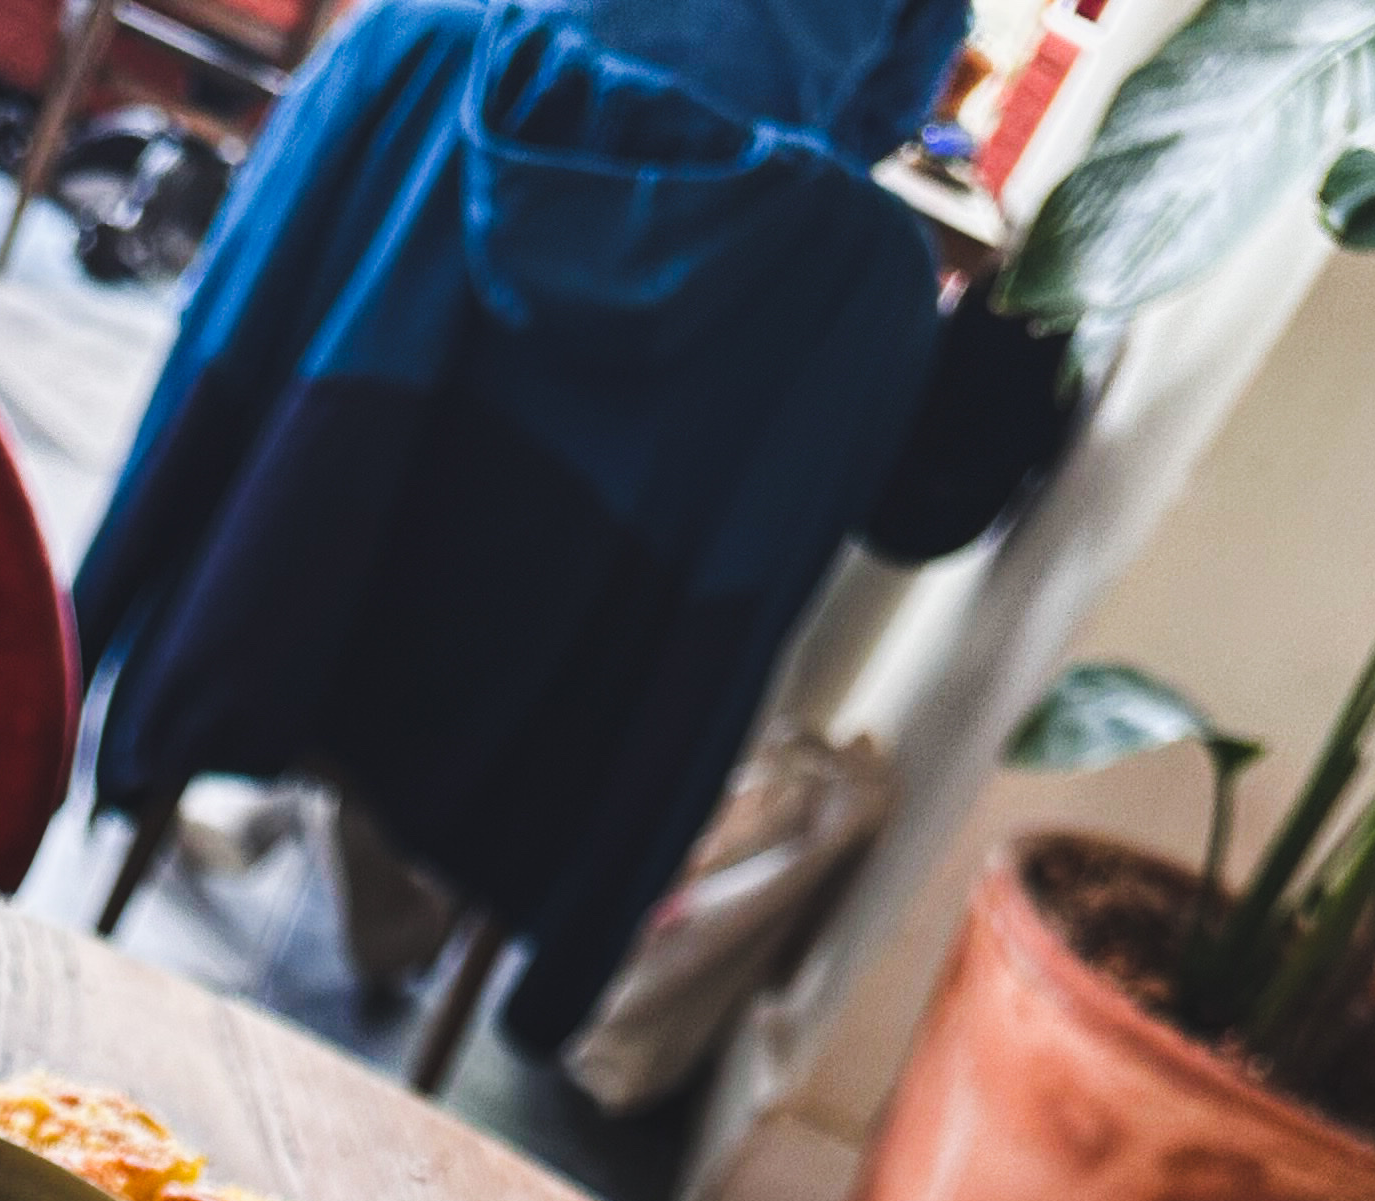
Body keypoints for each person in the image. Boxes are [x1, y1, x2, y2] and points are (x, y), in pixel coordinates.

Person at [77, 0, 1067, 1061]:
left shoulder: (424, 54)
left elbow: (227, 356)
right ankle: (401, 874)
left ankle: (279, 766)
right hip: (545, 668)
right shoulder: (863, 264)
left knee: (408, 202)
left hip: (322, 508)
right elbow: (875, 121)